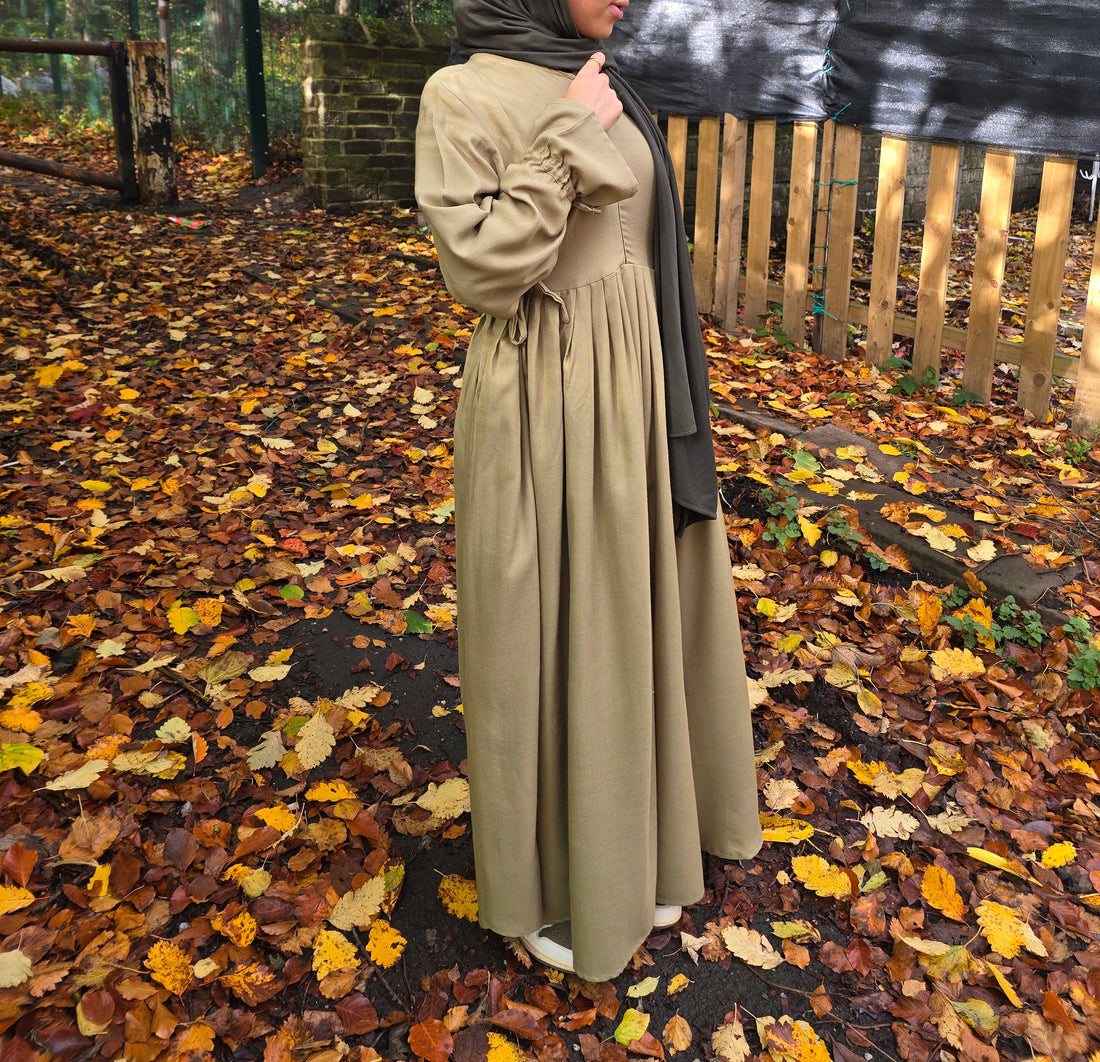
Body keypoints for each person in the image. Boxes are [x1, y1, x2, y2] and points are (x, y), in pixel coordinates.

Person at [414, 0, 762, 982]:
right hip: (541, 402)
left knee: (628, 616)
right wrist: (565, 136)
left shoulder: (602, 77)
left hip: (630, 396)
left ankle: (640, 845)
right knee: (553, 629)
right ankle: (563, 878)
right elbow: (482, 269)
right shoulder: (463, 93)